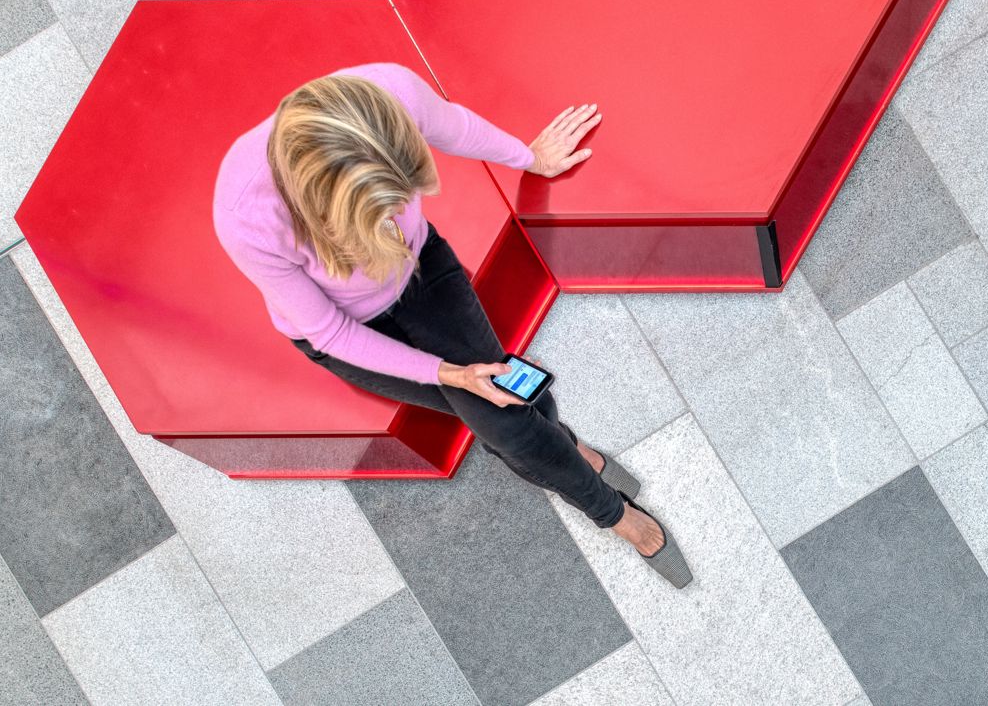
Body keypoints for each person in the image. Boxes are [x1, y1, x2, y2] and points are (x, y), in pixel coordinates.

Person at [213, 63, 689, 588]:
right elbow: (330, 332)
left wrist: (530, 157)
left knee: (505, 420)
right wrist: (451, 374)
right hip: (349, 332)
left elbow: (456, 126)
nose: (399, 215)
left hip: (424, 273)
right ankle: (609, 505)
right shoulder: (247, 214)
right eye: (381, 211)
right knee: (504, 417)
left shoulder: (388, 95)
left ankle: (596, 486)